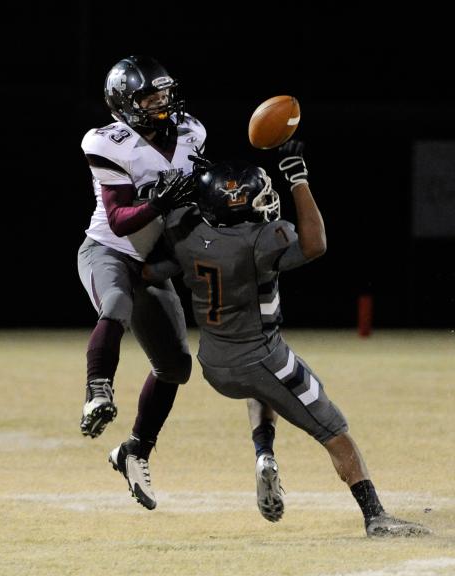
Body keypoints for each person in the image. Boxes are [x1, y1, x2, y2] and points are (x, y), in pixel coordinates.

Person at [143, 139, 432, 537]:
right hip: (263, 356)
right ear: (241, 206)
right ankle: (375, 516)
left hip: (213, 360)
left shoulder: (185, 230)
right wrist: (298, 178)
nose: (266, 201)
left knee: (260, 390)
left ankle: (264, 453)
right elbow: (315, 244)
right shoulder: (262, 238)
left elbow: (151, 271)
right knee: (335, 430)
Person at [77, 55, 206, 510]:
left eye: (164, 93)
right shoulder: (108, 142)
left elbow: (195, 197)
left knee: (176, 367)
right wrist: (159, 203)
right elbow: (118, 219)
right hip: (110, 250)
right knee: (115, 303)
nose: (162, 102)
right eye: (151, 97)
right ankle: (97, 391)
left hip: (154, 260)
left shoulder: (191, 132)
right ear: (125, 104)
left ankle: (134, 451)